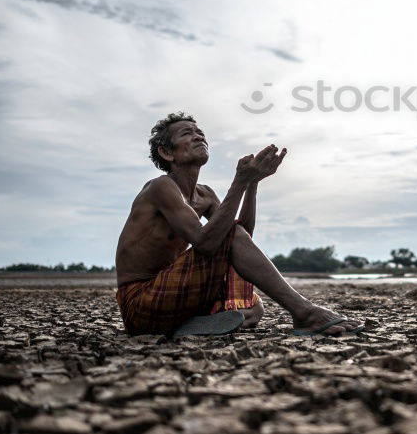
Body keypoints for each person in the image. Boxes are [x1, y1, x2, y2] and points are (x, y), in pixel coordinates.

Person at [115, 112, 363, 337]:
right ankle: (305, 312)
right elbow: (208, 242)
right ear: (167, 153)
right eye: (187, 133)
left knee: (255, 306)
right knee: (226, 240)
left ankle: (186, 325)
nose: (198, 136)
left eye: (200, 132)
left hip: (174, 291)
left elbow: (241, 237)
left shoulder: (205, 194)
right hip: (141, 302)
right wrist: (239, 183)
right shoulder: (161, 187)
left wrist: (252, 183)